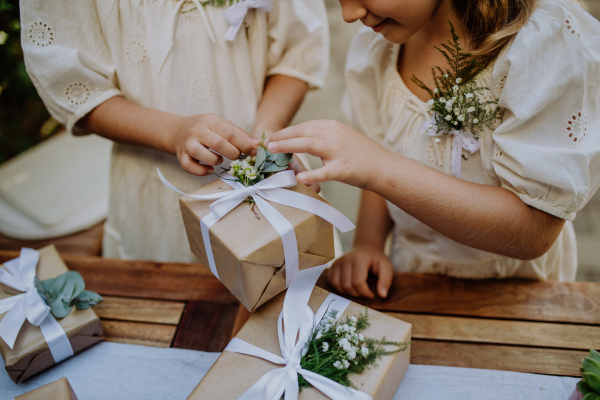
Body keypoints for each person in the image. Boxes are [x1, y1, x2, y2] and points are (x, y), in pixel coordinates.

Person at [266, 0, 600, 298]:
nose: (349, 13)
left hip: (518, 293)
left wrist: (378, 166)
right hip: (412, 278)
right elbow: (380, 156)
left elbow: (532, 231)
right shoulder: (379, 49)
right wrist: (368, 243)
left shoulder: (543, 41)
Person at [20, 0, 328, 262]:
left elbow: (297, 49)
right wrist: (174, 132)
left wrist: (267, 133)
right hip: (157, 199)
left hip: (266, 181)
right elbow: (74, 85)